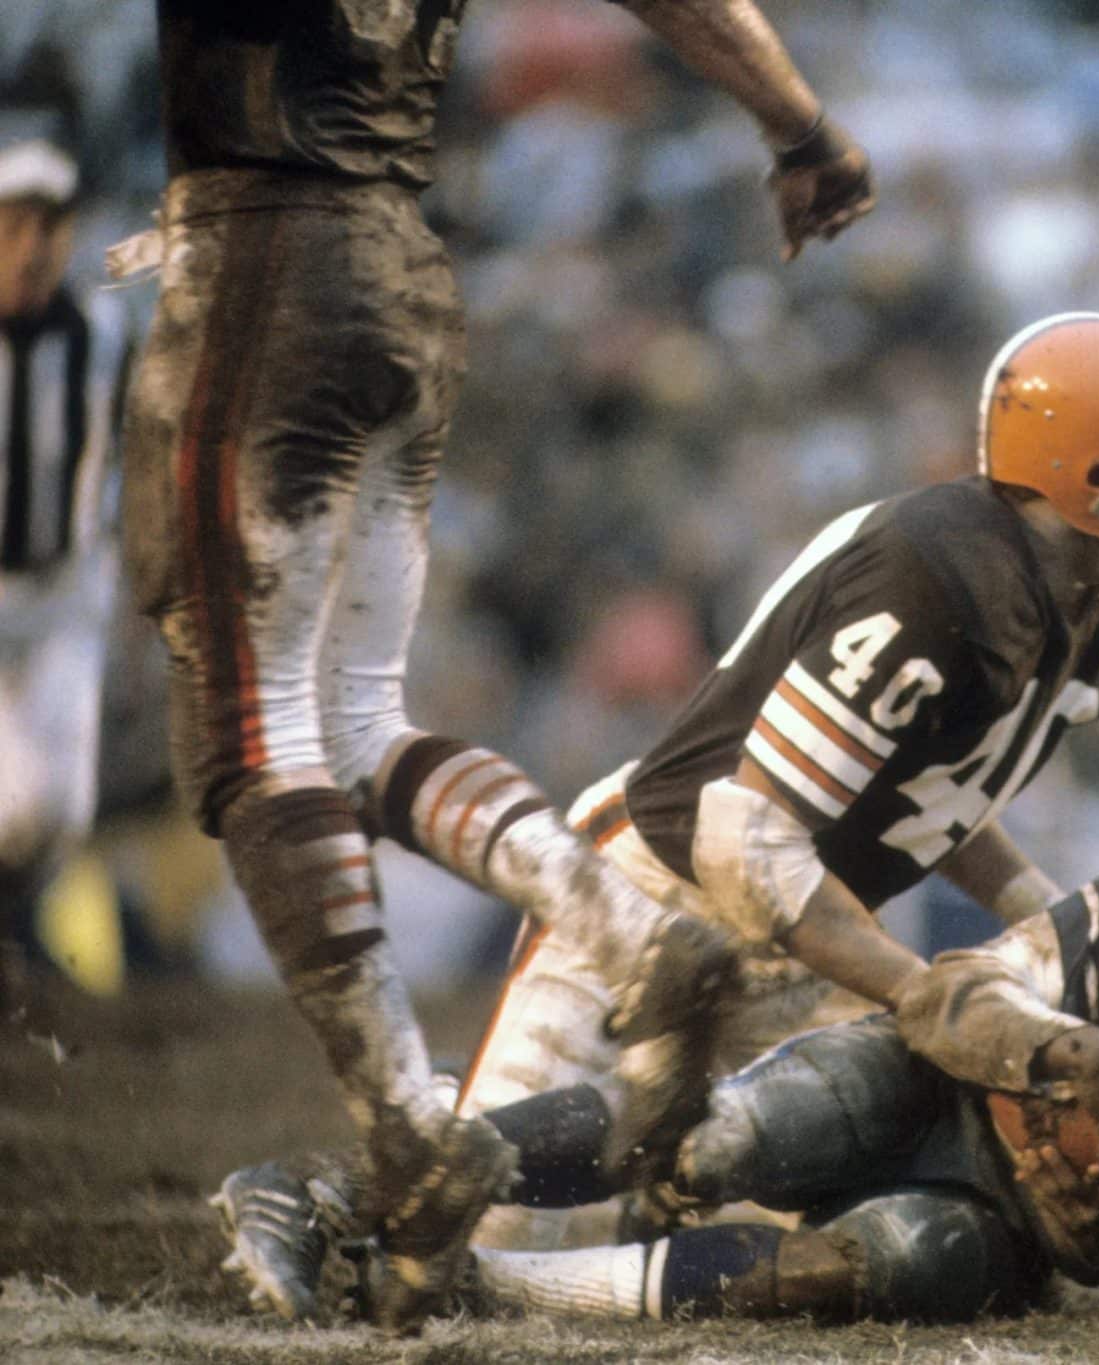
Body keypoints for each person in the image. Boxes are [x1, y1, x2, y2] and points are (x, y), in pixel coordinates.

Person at [209, 309, 1099, 1317]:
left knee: (846, 1241)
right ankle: (317, 1190)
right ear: (1091, 470)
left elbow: (944, 795)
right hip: (662, 905)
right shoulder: (934, 571)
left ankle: (507, 1133)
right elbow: (747, 838)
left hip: (818, 937)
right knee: (491, 1243)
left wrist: (1040, 931)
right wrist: (933, 999)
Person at [119, 0, 877, 1332]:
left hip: (265, 248)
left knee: (247, 742)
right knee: (352, 729)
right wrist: (795, 117)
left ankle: (413, 1128)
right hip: (403, 264)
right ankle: (629, 930)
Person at [217, 818, 1099, 1322]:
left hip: (1025, 1238)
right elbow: (967, 994)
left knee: (890, 1264)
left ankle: (494, 1288)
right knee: (726, 1136)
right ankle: (341, 1190)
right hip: (958, 1077)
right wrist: (1060, 1066)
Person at [0, 134, 130, 970]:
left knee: (68, 809)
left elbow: (123, 453)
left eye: (50, 226)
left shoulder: (101, 329)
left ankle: (15, 938)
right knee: (15, 803)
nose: (32, 248)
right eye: (14, 225)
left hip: (67, 590)